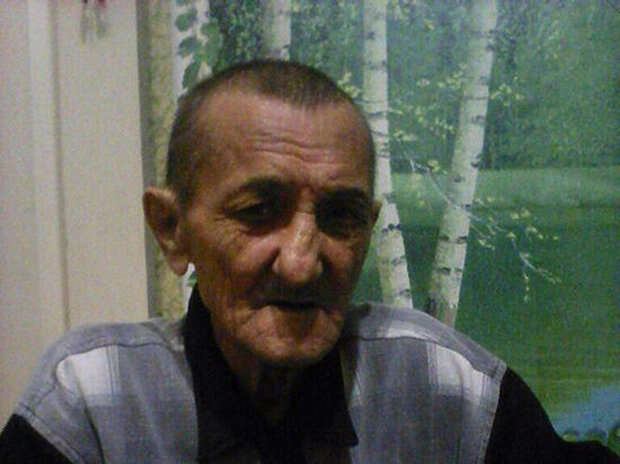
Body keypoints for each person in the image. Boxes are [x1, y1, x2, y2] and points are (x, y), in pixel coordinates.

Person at [0, 60, 617, 464]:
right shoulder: (93, 402)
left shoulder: (441, 383)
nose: (301, 264)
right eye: (257, 211)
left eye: (340, 216)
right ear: (172, 229)